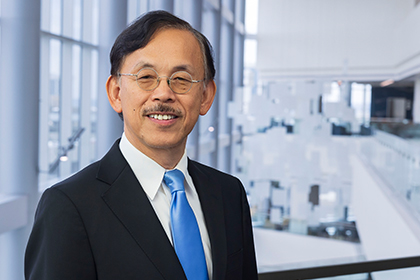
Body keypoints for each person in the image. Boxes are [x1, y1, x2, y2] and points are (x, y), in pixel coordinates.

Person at [25, 10, 257, 280]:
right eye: (146, 77)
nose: (163, 93)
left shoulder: (229, 194)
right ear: (116, 93)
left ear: (205, 96)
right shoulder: (69, 206)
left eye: (181, 79)